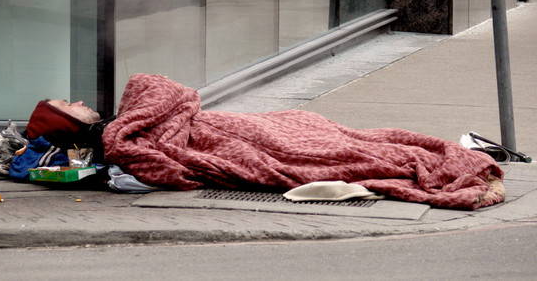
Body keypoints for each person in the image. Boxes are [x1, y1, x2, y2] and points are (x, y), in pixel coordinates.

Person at [25, 73, 505, 210]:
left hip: (233, 127)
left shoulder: (127, 122)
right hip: (221, 137)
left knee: (319, 133)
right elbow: (166, 101)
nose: (80, 99)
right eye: (70, 102)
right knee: (320, 153)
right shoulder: (121, 131)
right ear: (68, 119)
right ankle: (432, 166)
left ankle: (414, 158)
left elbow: (174, 99)